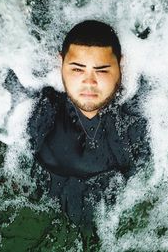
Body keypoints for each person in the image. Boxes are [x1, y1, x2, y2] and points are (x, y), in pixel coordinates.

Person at [27, 20, 151, 237]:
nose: (89, 82)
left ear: (120, 65)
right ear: (61, 63)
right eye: (77, 69)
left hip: (121, 216)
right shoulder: (32, 104)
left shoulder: (146, 110)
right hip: (44, 206)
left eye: (102, 70)